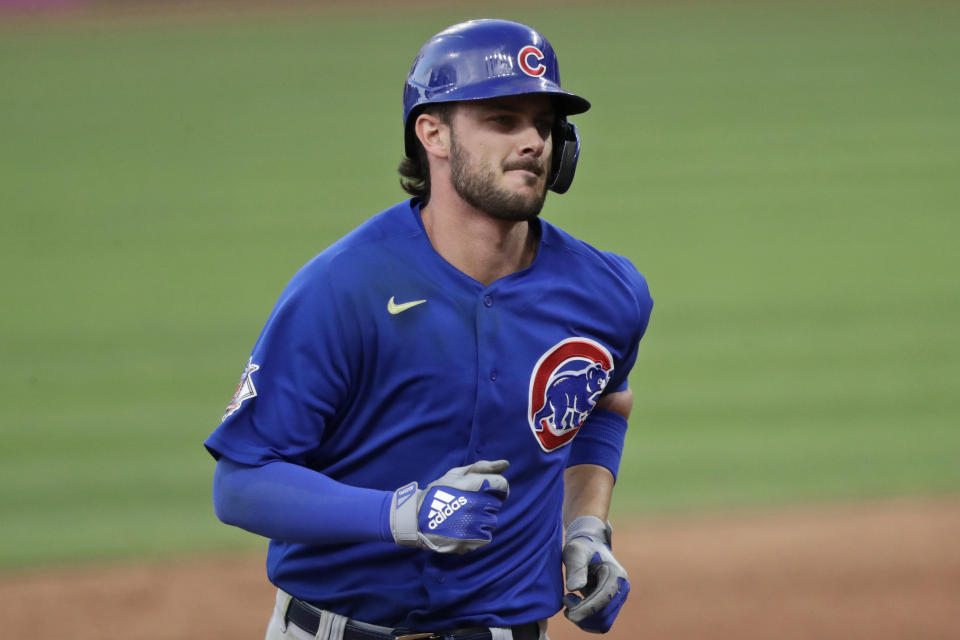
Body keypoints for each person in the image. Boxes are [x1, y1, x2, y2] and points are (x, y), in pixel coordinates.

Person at [205, 18, 653, 640]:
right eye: (503, 120)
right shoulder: (344, 288)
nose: (533, 142)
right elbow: (241, 483)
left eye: (544, 124)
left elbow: (604, 401)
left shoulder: (607, 292)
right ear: (433, 133)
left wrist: (586, 530)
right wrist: (401, 514)